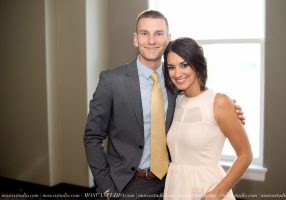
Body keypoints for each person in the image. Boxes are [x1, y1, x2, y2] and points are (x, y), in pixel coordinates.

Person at [84, 10, 245, 200]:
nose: (151, 40)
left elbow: (201, 101)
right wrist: (106, 188)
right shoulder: (112, 80)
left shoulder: (176, 83)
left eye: (158, 33)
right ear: (136, 39)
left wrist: (231, 110)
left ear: (167, 39)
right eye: (145, 33)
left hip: (171, 184)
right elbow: (92, 136)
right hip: (126, 185)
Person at [162, 37, 252, 200]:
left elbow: (245, 154)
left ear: (197, 64)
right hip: (175, 188)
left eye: (184, 65)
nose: (177, 73)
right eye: (171, 67)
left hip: (206, 190)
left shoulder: (219, 101)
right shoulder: (177, 100)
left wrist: (217, 193)